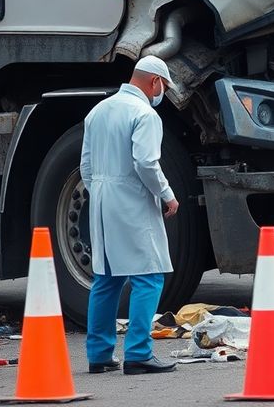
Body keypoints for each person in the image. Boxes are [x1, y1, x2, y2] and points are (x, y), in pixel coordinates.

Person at [81, 55, 179, 375]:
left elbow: (85, 166)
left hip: (101, 200)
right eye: (163, 85)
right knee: (148, 276)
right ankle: (138, 353)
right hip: (132, 200)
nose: (161, 92)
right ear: (154, 82)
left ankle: (99, 355)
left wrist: (102, 195)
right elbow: (146, 163)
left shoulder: (98, 111)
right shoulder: (144, 114)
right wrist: (167, 195)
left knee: (107, 279)